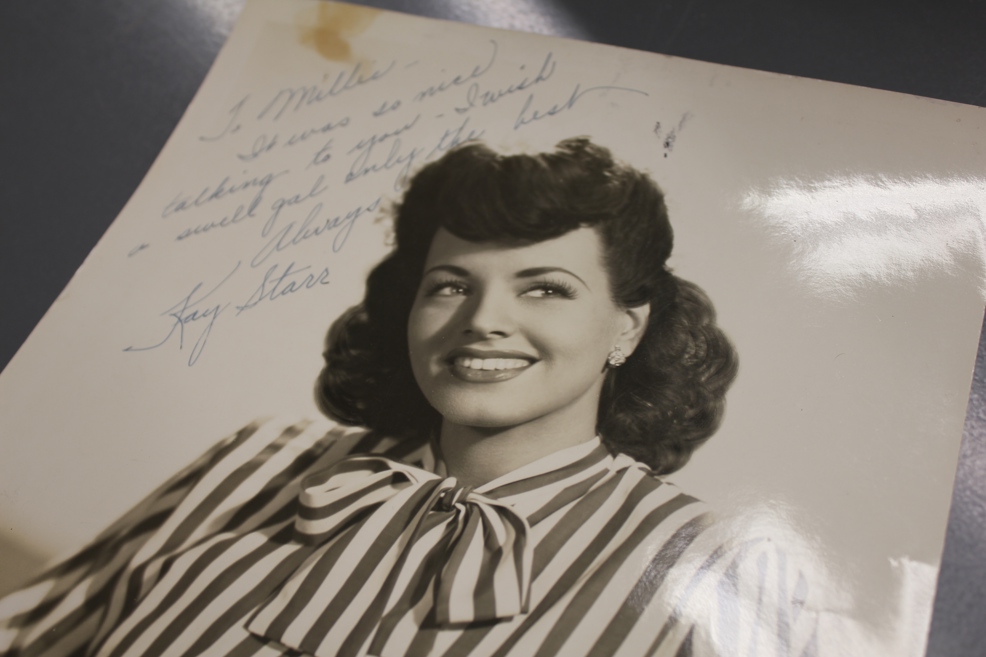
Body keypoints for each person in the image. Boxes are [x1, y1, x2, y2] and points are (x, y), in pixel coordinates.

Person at [0, 138, 817, 657]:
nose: (483, 321)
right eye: (450, 285)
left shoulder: (722, 570)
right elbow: (34, 636)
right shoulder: (256, 463)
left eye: (545, 289)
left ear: (627, 330)